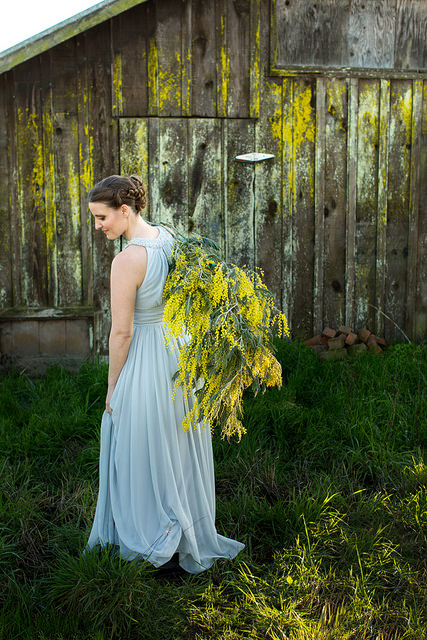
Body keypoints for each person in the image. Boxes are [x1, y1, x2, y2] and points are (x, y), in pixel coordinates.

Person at [83, 174, 245, 574]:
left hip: (149, 356)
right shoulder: (171, 238)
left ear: (125, 210)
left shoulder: (126, 261)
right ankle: (183, 528)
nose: (99, 226)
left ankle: (157, 539)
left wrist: (113, 386)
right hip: (181, 353)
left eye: (102, 218)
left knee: (139, 445)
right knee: (175, 441)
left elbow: (122, 331)